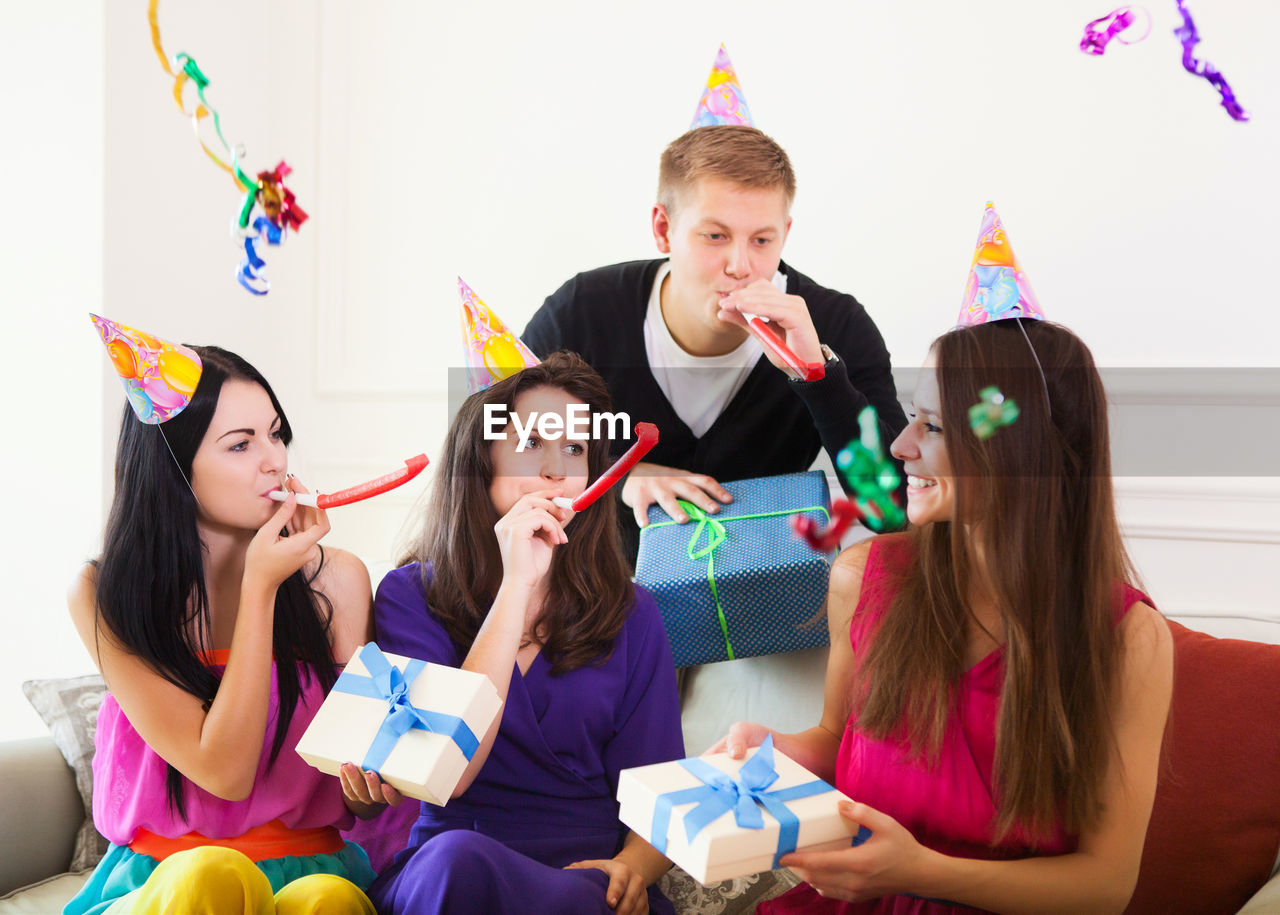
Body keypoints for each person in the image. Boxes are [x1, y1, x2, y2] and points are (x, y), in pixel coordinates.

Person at [713, 319, 1175, 913]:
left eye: (931, 426)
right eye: (913, 417)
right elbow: (836, 740)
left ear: (1020, 446)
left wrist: (922, 873)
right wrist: (771, 750)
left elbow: (1105, 886)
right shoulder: (864, 577)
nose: (901, 446)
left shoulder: (1130, 639)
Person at [67, 333, 398, 915]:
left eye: (276, 434)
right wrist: (260, 589)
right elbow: (223, 771)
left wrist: (376, 784)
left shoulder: (340, 581)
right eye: (241, 444)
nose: (275, 459)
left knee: (331, 901)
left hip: (311, 870)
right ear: (174, 465)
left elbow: (364, 798)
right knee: (209, 876)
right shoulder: (103, 592)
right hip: (169, 883)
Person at [369, 352, 684, 915]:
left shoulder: (633, 612)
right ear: (478, 457)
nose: (555, 470)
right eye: (530, 444)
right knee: (456, 861)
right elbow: (449, 773)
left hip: (584, 878)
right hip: (453, 866)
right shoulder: (408, 595)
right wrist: (516, 587)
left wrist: (633, 869)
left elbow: (659, 794)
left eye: (574, 450)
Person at [521, 123, 907, 561]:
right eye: (715, 236)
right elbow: (497, 465)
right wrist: (621, 478)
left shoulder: (838, 325)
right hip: (598, 595)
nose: (741, 266)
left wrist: (818, 377)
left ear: (786, 232)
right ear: (664, 229)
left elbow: (893, 511)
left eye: (762, 240)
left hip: (767, 595)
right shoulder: (582, 312)